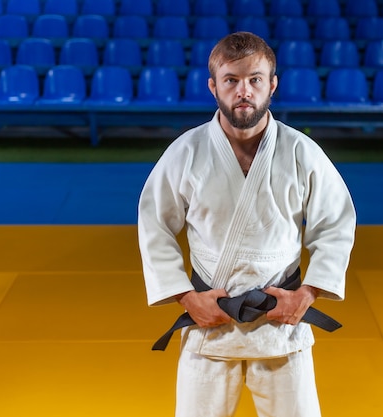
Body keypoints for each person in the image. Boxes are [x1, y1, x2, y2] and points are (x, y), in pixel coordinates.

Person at [138, 32, 356, 417]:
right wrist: (187, 298)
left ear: (272, 84)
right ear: (213, 86)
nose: (244, 91)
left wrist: (306, 295)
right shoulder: (186, 151)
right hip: (210, 323)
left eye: (255, 79)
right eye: (231, 80)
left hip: (280, 325)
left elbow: (335, 223)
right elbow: (154, 224)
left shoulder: (300, 151)